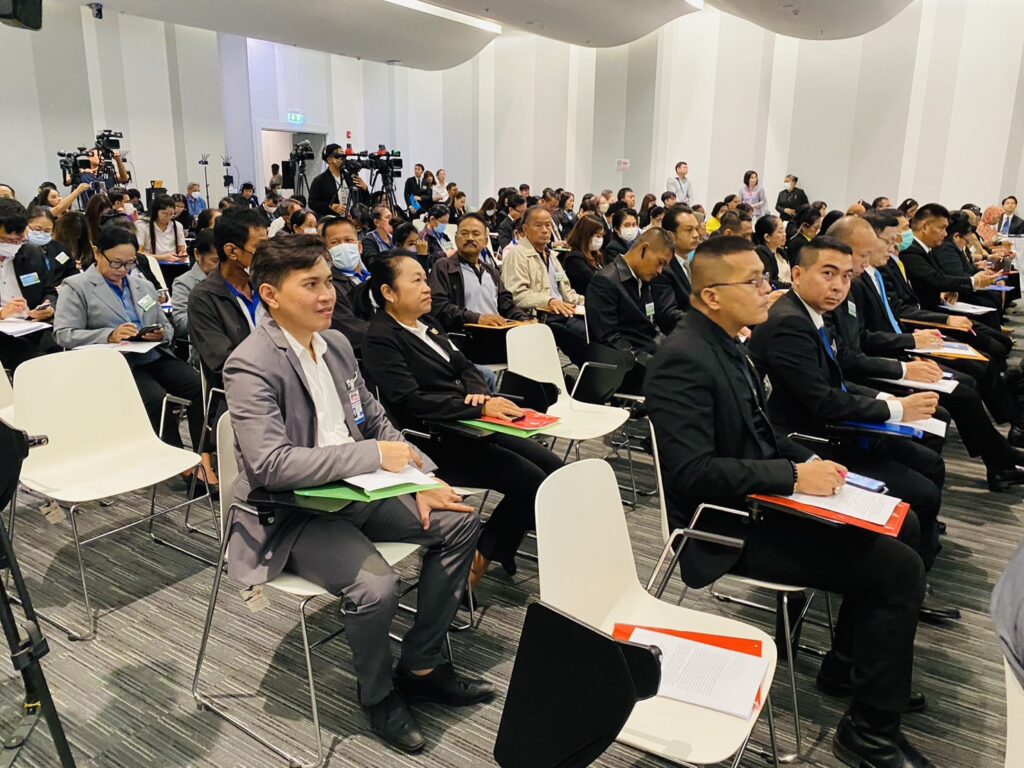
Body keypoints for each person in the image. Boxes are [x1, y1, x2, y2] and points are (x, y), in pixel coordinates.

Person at [644, 233, 933, 768]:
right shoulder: (683, 359)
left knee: (904, 524)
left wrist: (810, 463)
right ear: (712, 296)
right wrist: (794, 475)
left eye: (765, 277)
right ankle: (870, 733)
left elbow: (759, 431)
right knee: (898, 570)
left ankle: (848, 666)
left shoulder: (727, 342)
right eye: (755, 281)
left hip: (762, 499)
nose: (767, 289)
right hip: (724, 524)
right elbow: (692, 472)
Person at [222, 235, 489, 753]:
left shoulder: (337, 345)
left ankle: (422, 664)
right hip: (295, 512)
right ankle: (378, 693)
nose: (328, 295)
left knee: (459, 521)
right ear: (271, 296)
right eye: (311, 285)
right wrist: (371, 457)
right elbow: (271, 465)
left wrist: (424, 478)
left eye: (328, 282)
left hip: (360, 492)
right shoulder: (250, 363)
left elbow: (375, 421)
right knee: (377, 588)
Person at [748, 236, 957, 622]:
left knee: (928, 462)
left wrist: (891, 401)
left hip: (833, 426)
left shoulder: (811, 314)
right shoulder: (789, 323)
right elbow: (822, 402)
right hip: (811, 442)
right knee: (921, 493)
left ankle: (914, 569)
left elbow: (837, 376)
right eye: (828, 274)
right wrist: (895, 407)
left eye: (846, 277)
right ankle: (909, 580)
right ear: (797, 274)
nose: (839, 286)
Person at [362, 251, 562, 584]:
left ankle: (500, 544)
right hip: (436, 439)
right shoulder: (381, 338)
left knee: (553, 468)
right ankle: (480, 558)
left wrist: (479, 393)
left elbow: (465, 366)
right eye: (416, 281)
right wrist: (479, 408)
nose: (427, 287)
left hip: (470, 425)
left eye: (425, 279)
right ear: (388, 292)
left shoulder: (428, 323)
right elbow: (412, 402)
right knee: (532, 481)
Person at [829, 215, 1024, 491]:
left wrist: (912, 347)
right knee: (961, 390)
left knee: (972, 374)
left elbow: (884, 322)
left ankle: (1000, 458)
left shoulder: (874, 274)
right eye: (888, 241)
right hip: (880, 362)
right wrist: (908, 354)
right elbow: (858, 345)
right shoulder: (851, 285)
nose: (895, 245)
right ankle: (1001, 457)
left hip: (897, 348)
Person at [53, 224, 215, 488]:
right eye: (116, 263)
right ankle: (182, 465)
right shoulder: (77, 287)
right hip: (115, 363)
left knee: (199, 387)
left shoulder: (142, 285)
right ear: (97, 253)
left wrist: (159, 333)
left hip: (152, 353)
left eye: (129, 263)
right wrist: (109, 335)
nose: (123, 270)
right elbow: (63, 334)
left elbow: (168, 325)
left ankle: (202, 456)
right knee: (156, 399)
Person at [188, 208, 269, 392]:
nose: (266, 254)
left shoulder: (267, 286)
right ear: (232, 251)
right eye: (259, 248)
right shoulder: (204, 298)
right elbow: (224, 363)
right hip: (240, 392)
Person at [585, 228, 675, 393]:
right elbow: (609, 340)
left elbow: (649, 326)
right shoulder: (605, 282)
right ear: (644, 249)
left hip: (643, 358)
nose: (660, 271)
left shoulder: (641, 280)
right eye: (660, 262)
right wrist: (650, 362)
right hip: (623, 368)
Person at [503, 206, 588, 367]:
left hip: (564, 312)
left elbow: (567, 291)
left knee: (597, 329)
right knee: (583, 338)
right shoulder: (518, 255)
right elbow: (516, 295)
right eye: (538, 225)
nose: (545, 230)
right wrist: (548, 301)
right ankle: (589, 377)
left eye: (548, 225)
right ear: (525, 229)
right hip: (540, 317)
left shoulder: (552, 257)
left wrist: (588, 303)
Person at [428, 212, 529, 333]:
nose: (470, 238)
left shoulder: (491, 271)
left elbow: (507, 305)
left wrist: (524, 319)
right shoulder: (443, 267)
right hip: (466, 336)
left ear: (485, 241)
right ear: (455, 238)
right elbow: (438, 307)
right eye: (464, 233)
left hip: (499, 332)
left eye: (476, 234)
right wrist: (477, 319)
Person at [902, 204, 999, 318]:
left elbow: (935, 277)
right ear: (925, 227)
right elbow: (934, 279)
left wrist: (948, 290)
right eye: (942, 228)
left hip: (936, 304)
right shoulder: (911, 250)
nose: (945, 233)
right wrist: (974, 281)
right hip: (925, 312)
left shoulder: (926, 248)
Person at [0, 199, 59, 370]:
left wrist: (49, 306)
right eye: (7, 240)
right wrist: (2, 313)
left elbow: (49, 290)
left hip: (32, 324)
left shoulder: (31, 253)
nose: (14, 245)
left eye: (19, 240)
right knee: (34, 360)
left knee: (60, 350)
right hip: (3, 332)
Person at [321, 216, 372, 355]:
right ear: (327, 252)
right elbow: (351, 330)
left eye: (348, 240)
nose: (343, 246)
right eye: (335, 242)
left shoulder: (375, 277)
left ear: (359, 246)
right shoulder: (328, 287)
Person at [651, 206, 700, 332]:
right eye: (689, 230)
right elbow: (667, 314)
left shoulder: (693, 262)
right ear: (671, 235)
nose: (696, 235)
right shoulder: (663, 269)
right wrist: (705, 322)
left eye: (696, 229)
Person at [170, 229, 219, 339]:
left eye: (224, 261)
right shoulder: (184, 283)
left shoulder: (229, 278)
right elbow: (181, 324)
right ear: (197, 254)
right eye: (215, 261)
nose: (220, 267)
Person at [309, 143, 366, 220]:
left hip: (352, 219)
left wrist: (365, 189)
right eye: (338, 156)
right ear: (329, 159)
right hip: (332, 221)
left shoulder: (350, 176)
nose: (341, 159)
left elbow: (362, 200)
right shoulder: (319, 180)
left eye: (343, 156)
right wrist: (330, 206)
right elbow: (312, 203)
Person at [25, 206, 80, 286]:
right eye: (37, 229)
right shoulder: (17, 252)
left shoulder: (60, 248)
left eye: (47, 231)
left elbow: (72, 271)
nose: (42, 234)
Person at [561, 213, 607, 295]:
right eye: (598, 236)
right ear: (586, 236)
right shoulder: (574, 259)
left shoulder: (596, 255)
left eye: (602, 236)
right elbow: (594, 282)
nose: (601, 239)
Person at [136, 196, 187, 261]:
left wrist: (182, 254)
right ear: (156, 211)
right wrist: (162, 258)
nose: (168, 217)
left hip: (174, 263)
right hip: (149, 263)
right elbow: (138, 253)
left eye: (171, 214)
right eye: (165, 214)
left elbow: (182, 249)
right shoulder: (142, 225)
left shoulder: (177, 226)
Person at [754, 215, 791, 288]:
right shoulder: (761, 252)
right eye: (780, 232)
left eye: (784, 231)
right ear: (767, 237)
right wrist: (790, 286)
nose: (784, 234)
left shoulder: (781, 252)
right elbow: (768, 281)